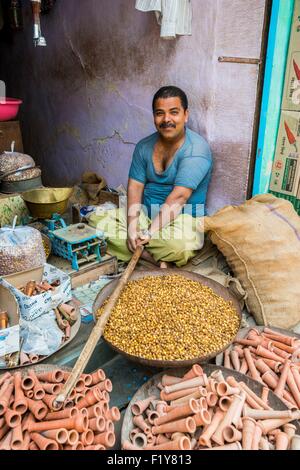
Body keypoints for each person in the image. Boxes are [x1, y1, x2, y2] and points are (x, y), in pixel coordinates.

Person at [89, 86, 213, 267]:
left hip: (184, 218)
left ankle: (139, 250)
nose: (166, 119)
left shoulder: (196, 150)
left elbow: (179, 197)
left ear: (186, 115)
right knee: (95, 222)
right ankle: (154, 259)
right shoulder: (144, 146)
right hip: (145, 214)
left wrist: (149, 233)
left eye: (174, 112)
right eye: (159, 113)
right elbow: (135, 187)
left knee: (178, 245)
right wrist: (132, 226)